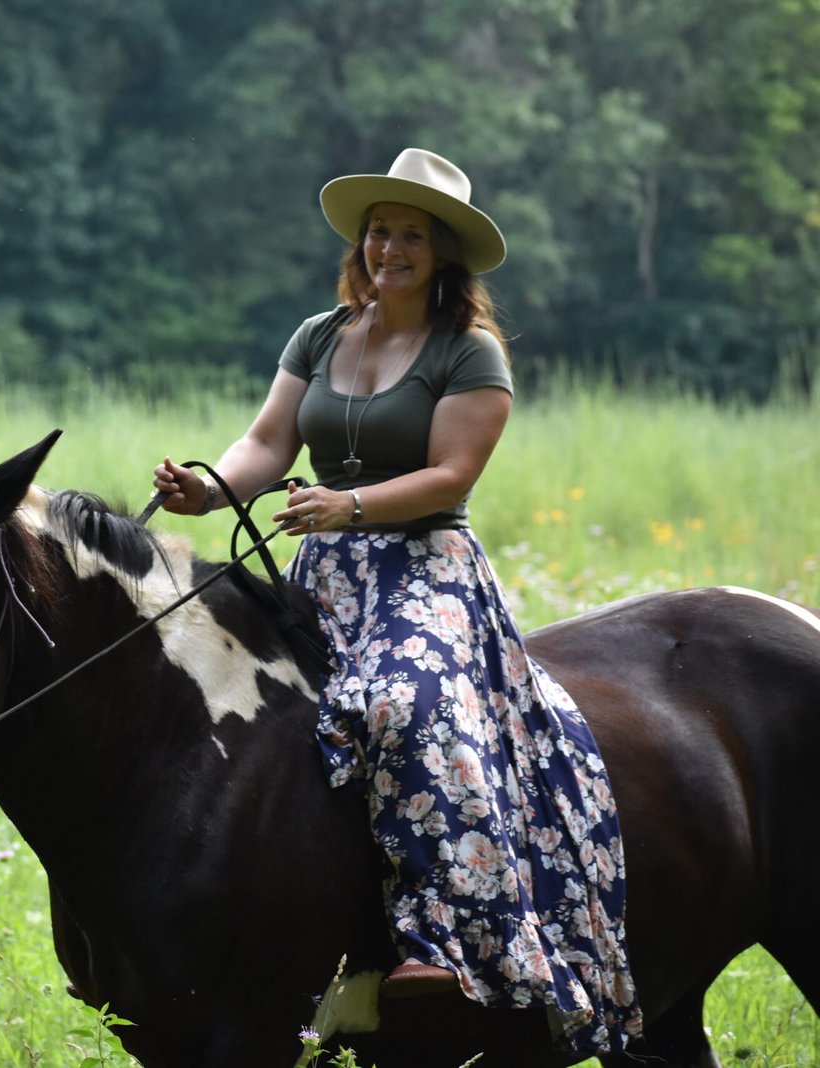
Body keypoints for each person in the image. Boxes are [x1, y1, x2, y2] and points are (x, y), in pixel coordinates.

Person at [152, 148, 642, 1055]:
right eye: (381, 230)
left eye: (412, 235)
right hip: (324, 569)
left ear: (443, 252)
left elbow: (452, 473)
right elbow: (266, 441)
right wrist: (210, 488)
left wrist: (350, 505)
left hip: (427, 566)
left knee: (404, 704)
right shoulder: (320, 334)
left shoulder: (471, 353)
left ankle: (437, 936)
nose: (392, 247)